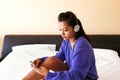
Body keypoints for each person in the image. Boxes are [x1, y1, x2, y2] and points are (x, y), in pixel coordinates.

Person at [32, 11, 98, 80]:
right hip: (71, 73)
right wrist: (42, 60)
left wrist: (47, 74)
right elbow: (57, 58)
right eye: (60, 30)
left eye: (65, 30)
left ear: (76, 28)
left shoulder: (82, 45)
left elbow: (76, 76)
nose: (62, 33)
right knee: (51, 60)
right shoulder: (66, 41)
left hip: (81, 78)